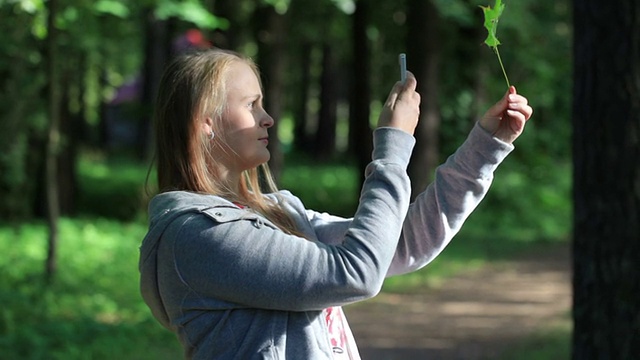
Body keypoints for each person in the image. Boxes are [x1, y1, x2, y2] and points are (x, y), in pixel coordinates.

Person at [138, 48, 533, 360]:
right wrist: (392, 148)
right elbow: (354, 274)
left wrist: (485, 146)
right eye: (252, 105)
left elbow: (401, 244)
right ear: (205, 121)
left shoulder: (278, 213)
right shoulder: (196, 235)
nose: (268, 118)